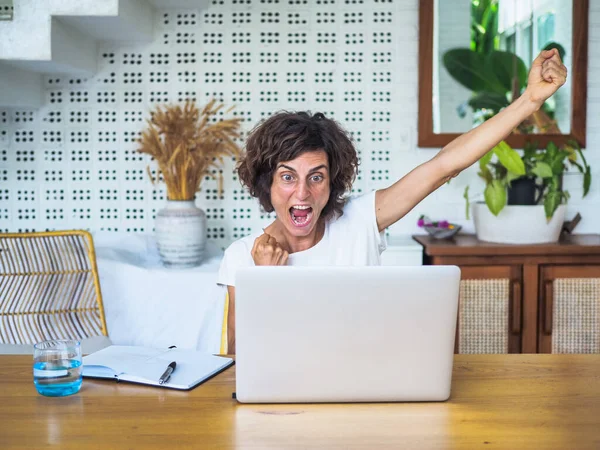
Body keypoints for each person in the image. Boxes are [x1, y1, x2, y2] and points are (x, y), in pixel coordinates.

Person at [217, 49, 567, 353]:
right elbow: (235, 362)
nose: (303, 193)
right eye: (288, 176)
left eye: (317, 176)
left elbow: (444, 166)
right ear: (268, 183)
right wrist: (266, 284)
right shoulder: (243, 257)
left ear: (332, 180)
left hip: (366, 387)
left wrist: (530, 101)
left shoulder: (360, 220)